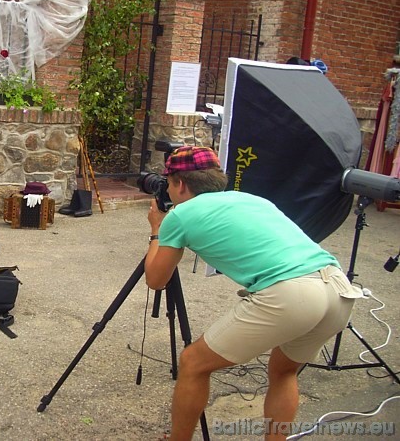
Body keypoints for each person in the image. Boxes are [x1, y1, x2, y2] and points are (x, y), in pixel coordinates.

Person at [144, 146, 363, 441]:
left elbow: (156, 280)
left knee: (193, 363)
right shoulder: (252, 199)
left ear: (180, 184)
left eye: (168, 183)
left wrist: (157, 229)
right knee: (283, 372)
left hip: (292, 295)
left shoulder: (180, 215)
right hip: (337, 289)